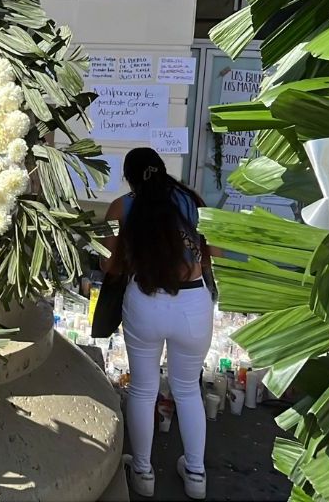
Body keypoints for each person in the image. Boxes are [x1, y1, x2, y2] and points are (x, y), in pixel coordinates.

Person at [101, 147, 216, 500]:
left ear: (130, 177)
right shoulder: (194, 201)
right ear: (163, 170)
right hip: (194, 303)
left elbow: (108, 265)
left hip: (145, 302)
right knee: (187, 389)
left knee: (143, 389)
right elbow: (217, 253)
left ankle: (142, 472)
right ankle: (196, 474)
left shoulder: (120, 207)